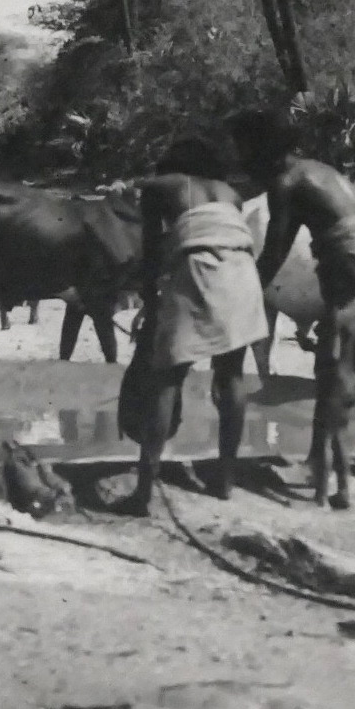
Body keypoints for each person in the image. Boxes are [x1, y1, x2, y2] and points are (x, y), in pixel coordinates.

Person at [229, 108, 355, 510]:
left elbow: (275, 252)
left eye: (244, 150)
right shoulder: (320, 170)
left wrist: (242, 296)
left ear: (261, 150)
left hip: (348, 273)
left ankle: (331, 486)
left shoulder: (285, 183)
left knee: (333, 375)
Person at [117, 138, 267, 517]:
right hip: (243, 274)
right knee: (231, 376)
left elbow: (152, 253)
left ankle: (143, 493)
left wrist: (150, 303)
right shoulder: (230, 193)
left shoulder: (162, 187)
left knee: (167, 378)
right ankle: (225, 481)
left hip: (200, 269)